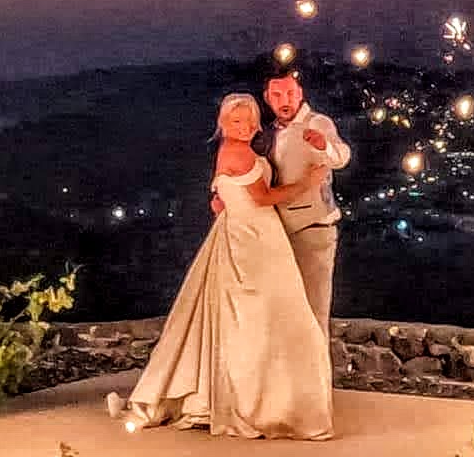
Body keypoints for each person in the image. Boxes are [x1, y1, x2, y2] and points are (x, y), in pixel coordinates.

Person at [111, 92, 335, 439]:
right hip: (253, 240)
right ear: (222, 123)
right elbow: (263, 197)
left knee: (257, 320)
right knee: (271, 319)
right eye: (236, 121)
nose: (245, 127)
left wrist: (223, 197)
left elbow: (229, 189)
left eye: (249, 121)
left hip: (251, 234)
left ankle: (263, 400)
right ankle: (266, 405)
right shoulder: (238, 152)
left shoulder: (237, 151)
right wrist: (308, 183)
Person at [260, 65, 350, 333]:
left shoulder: (317, 123)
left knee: (314, 313)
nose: (284, 100)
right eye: (276, 95)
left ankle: (317, 375)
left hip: (313, 229)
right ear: (267, 97)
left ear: (300, 93)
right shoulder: (268, 132)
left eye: (289, 93)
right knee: (283, 315)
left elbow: (342, 156)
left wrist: (324, 146)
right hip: (279, 231)